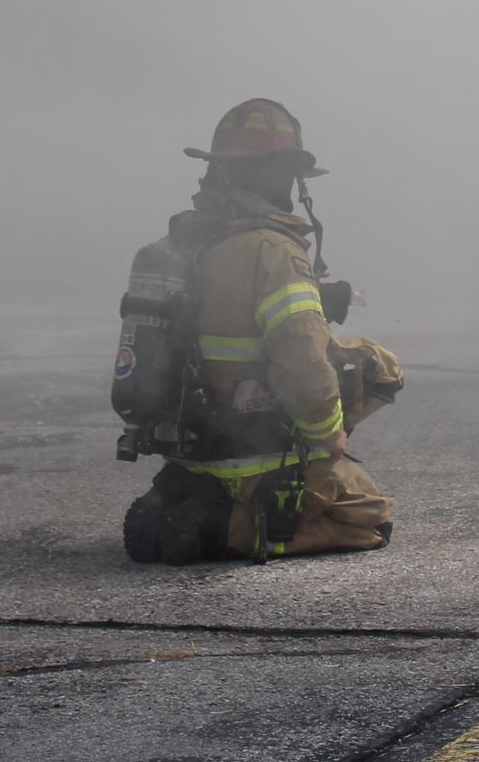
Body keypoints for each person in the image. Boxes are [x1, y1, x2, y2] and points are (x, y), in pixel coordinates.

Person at [122, 99, 398, 563]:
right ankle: (223, 525)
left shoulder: (180, 244)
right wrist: (328, 433)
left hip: (190, 441)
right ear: (280, 175)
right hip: (255, 448)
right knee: (368, 515)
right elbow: (304, 363)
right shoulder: (273, 250)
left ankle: (182, 492)